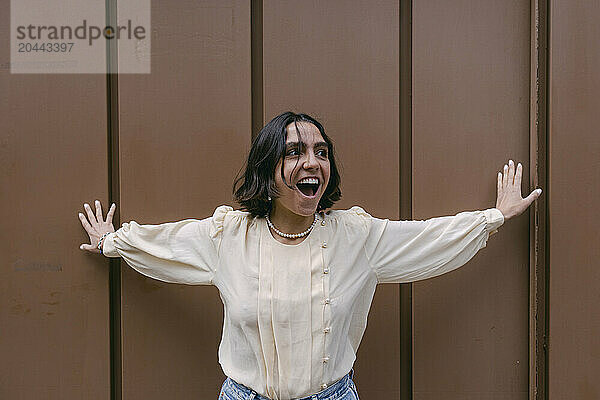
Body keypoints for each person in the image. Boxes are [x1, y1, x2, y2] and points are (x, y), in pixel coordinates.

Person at [77, 111, 542, 400]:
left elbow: (426, 239)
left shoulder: (356, 237)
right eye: (294, 151)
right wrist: (113, 242)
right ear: (269, 169)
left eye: (321, 152)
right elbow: (166, 245)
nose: (311, 162)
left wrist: (493, 217)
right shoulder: (227, 237)